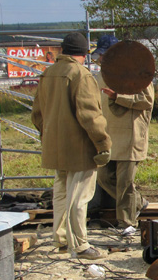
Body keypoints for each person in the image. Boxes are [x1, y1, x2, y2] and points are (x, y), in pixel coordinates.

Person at [31, 32, 111, 259]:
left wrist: (48, 136)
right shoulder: (81, 75)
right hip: (79, 147)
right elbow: (90, 115)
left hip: (54, 146)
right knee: (79, 197)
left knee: (61, 194)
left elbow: (37, 114)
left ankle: (61, 239)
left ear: (63, 51)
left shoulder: (48, 74)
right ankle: (80, 245)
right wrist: (103, 143)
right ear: (84, 54)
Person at [92, 35, 155, 237]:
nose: (102, 59)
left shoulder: (138, 74)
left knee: (125, 183)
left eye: (105, 55)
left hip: (130, 136)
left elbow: (146, 101)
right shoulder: (100, 76)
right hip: (108, 136)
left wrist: (118, 97)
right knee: (103, 177)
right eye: (101, 55)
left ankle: (127, 223)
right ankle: (139, 202)